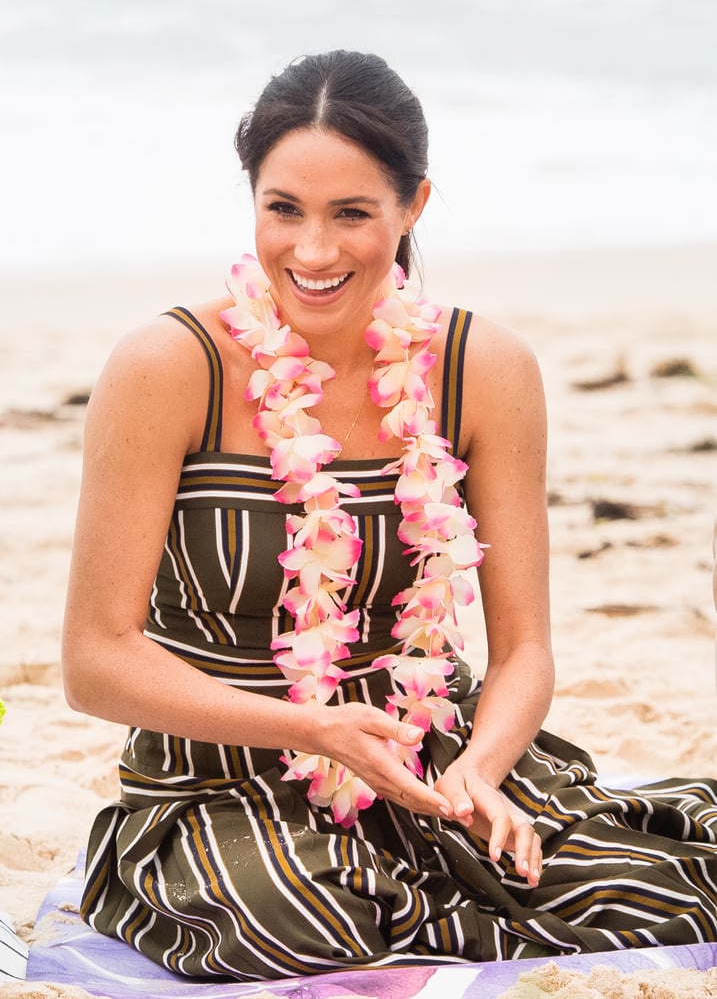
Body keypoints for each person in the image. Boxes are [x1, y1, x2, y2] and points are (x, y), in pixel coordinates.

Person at [62, 50, 717, 982]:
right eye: (283, 208)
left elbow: (524, 648)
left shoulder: (481, 368)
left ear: (412, 207)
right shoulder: (170, 368)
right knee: (295, 918)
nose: (314, 251)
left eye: (353, 214)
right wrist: (311, 731)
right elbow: (95, 661)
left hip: (431, 759)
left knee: (668, 888)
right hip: (219, 775)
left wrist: (479, 771)